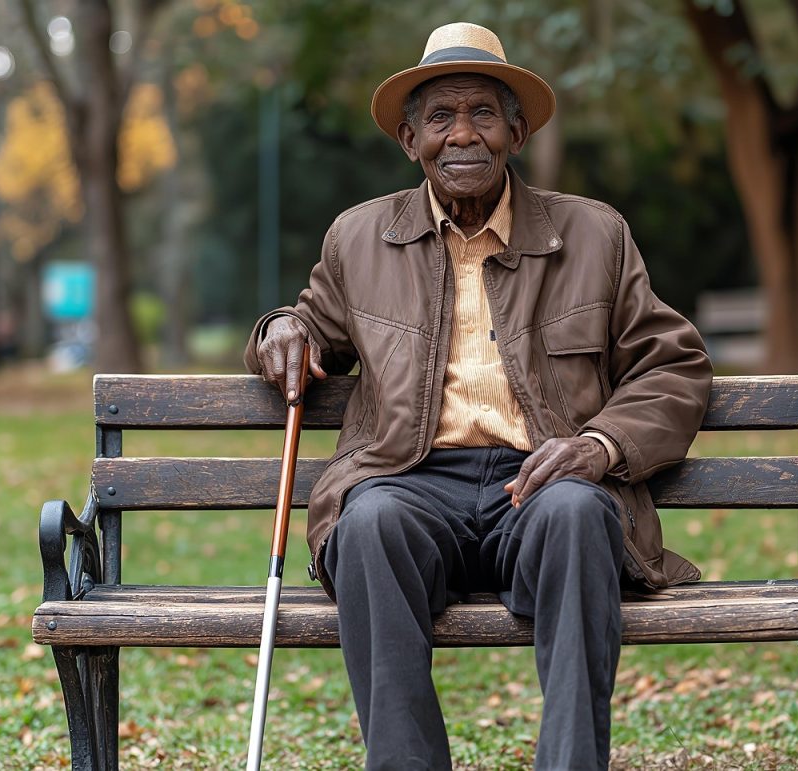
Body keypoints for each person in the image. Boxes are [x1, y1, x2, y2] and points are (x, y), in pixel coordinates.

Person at [244, 22, 712, 770]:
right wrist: (279, 329)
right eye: (440, 117)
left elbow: (673, 364)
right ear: (409, 139)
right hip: (410, 482)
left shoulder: (595, 235)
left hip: (542, 481)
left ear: (515, 132)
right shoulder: (358, 239)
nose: (462, 135)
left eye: (483, 114)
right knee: (368, 521)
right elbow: (311, 325)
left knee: (578, 511)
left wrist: (600, 446)